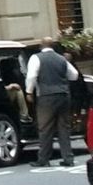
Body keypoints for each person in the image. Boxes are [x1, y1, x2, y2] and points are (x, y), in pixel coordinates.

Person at [25, 38, 78, 167]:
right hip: (64, 95)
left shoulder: (36, 58)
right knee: (63, 128)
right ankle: (68, 158)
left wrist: (29, 92)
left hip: (46, 96)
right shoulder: (61, 58)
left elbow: (31, 76)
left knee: (45, 128)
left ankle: (43, 159)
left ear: (41, 46)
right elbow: (74, 75)